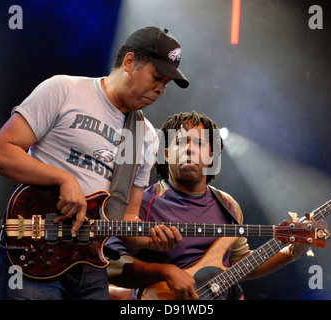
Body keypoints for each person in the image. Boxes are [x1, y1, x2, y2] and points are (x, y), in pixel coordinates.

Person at [0, 26, 189, 300]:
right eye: (157, 77)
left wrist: (153, 240)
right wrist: (63, 178)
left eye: (166, 83)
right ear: (129, 62)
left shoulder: (146, 137)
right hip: (36, 249)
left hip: (90, 265)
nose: (161, 88)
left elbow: (126, 219)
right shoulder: (64, 90)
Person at [106, 111, 308, 300]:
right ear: (166, 154)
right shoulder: (139, 203)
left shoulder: (228, 206)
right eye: (180, 142)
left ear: (211, 156)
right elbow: (112, 266)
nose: (190, 149)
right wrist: (164, 272)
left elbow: (238, 264)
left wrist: (290, 253)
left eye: (199, 143)